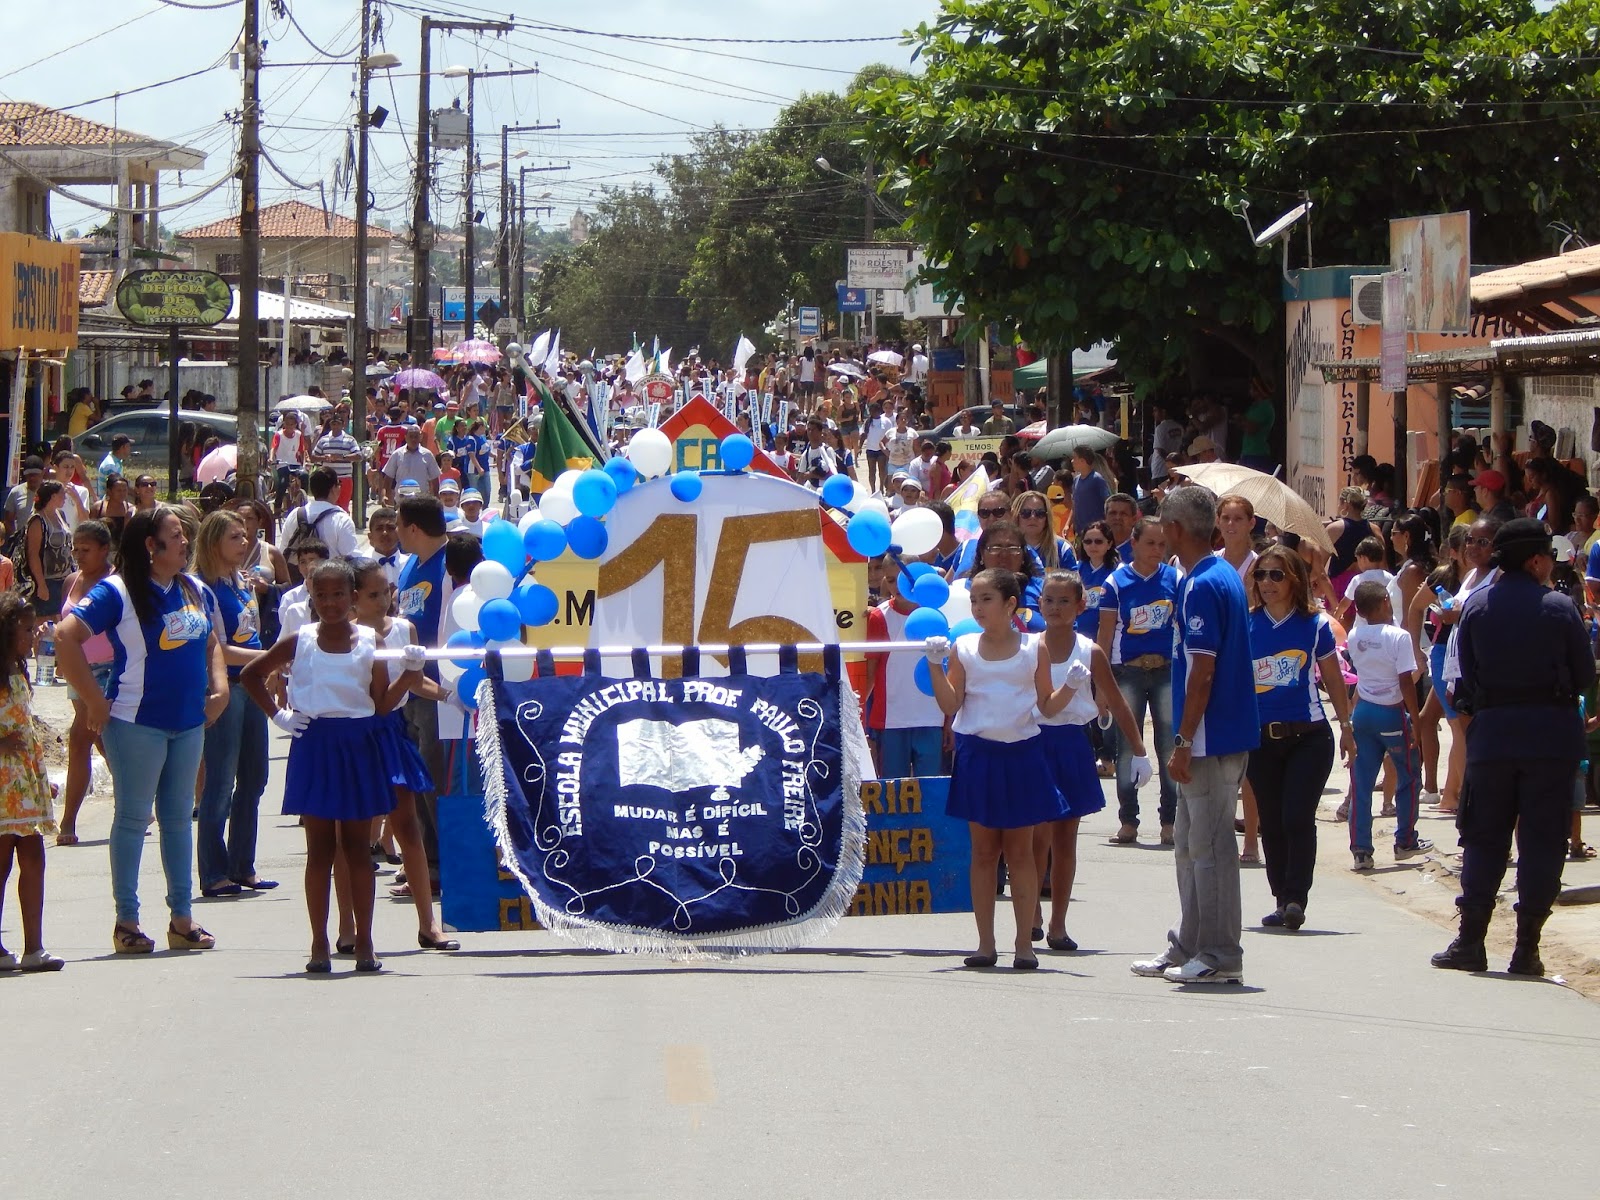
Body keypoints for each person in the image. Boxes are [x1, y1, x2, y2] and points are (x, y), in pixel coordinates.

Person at [53, 506, 229, 955]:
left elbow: (211, 642)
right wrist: (94, 700)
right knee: (132, 820)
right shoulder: (117, 592)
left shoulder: (192, 587)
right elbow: (65, 637)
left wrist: (221, 688)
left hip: (188, 723)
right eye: (177, 535)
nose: (186, 541)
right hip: (135, 723)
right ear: (151, 546)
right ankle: (127, 922)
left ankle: (182, 919)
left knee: (176, 821)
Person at [1433, 519, 1596, 976]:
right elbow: (1585, 676)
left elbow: (1466, 673)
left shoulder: (1477, 608)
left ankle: (1471, 941)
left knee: (1484, 838)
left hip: (1494, 737)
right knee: (1542, 842)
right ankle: (1527, 948)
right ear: (1537, 560)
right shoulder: (1561, 608)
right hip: (1551, 739)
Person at [242, 559, 420, 973]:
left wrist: (410, 672)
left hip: (358, 744)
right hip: (315, 744)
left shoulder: (370, 640)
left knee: (358, 849)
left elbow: (380, 704)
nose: (330, 602)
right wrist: (280, 715)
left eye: (339, 594)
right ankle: (319, 942)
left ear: (353, 596)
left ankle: (365, 943)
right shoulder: (300, 639)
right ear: (311, 598)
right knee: (319, 850)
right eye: (321, 595)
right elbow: (252, 675)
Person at [1131, 486, 1259, 985]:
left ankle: (1221, 954)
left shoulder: (1206, 583)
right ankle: (1188, 944)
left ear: (1176, 530)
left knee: (1210, 849)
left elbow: (1202, 672)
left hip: (1211, 738)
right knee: (1188, 845)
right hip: (1206, 736)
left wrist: (1182, 742)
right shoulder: (1207, 576)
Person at [925, 569, 1070, 969]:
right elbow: (951, 705)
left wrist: (1072, 688)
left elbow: (1046, 704)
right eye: (974, 599)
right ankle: (985, 944)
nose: (978, 607)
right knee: (984, 852)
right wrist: (935, 665)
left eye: (987, 599)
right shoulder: (965, 647)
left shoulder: (1032, 647)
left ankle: (1024, 944)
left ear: (1010, 604)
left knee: (1021, 851)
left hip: (1022, 754)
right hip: (978, 755)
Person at [1033, 570, 1150, 950]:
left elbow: (1116, 699)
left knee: (1065, 838)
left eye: (1064, 600)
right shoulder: (1027, 646)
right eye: (1049, 600)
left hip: (1070, 743)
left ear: (1080, 606)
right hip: (1032, 743)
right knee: (1034, 837)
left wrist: (1139, 750)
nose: (1055, 607)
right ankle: (1029, 914)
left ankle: (1059, 924)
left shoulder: (1090, 650)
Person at [349, 559, 459, 951]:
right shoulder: (345, 636)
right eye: (374, 594)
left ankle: (429, 924)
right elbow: (377, 693)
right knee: (354, 835)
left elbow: (417, 679)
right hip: (356, 733)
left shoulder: (404, 629)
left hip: (392, 732)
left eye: (388, 592)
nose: (384, 601)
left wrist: (451, 696)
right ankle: (349, 929)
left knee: (408, 827)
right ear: (354, 597)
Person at [1246, 545, 1355, 930]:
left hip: (1308, 736)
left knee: (1296, 816)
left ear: (1294, 579)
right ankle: (1280, 899)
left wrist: (1346, 726)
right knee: (1271, 823)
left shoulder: (1316, 625)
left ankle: (1297, 898)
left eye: (1276, 575)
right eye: (1261, 575)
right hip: (1260, 738)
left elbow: (1333, 678)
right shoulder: (1246, 624)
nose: (1268, 583)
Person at [193, 510, 274, 898]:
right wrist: (270, 658)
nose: (245, 543)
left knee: (255, 777)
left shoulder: (242, 581)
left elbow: (252, 635)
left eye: (246, 536)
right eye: (235, 538)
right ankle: (213, 871)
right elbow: (219, 648)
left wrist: (266, 663)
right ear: (213, 544)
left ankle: (243, 864)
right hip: (228, 687)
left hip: (253, 684)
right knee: (221, 781)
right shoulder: (202, 587)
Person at [1098, 516, 1180, 845]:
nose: (1157, 550)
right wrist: (1102, 687)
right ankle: (1128, 820)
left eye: (1162, 544)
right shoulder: (1116, 583)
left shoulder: (1176, 579)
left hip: (1166, 670)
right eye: (1150, 543)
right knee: (1129, 748)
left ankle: (1170, 822)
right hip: (1127, 671)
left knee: (1169, 747)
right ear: (1133, 543)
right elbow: (1104, 635)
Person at [0, 593, 65, 971]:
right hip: (3, 782)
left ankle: (33, 947)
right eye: (26, 629)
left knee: (34, 859)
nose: (34, 635)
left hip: (25, 779)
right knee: (2, 863)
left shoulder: (19, 669)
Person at [394, 496, 456, 894]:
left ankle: (447, 863)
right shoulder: (409, 566)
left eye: (399, 525)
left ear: (414, 528)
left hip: (438, 687)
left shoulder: (449, 565)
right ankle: (426, 862)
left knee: (435, 778)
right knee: (415, 779)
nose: (395, 532)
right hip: (406, 685)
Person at [1345, 581, 1429, 869]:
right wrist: (1416, 723)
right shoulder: (1399, 636)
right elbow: (1406, 681)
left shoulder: (1354, 636)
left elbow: (1360, 677)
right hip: (1391, 713)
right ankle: (1405, 840)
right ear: (1384, 601)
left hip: (1364, 712)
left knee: (1362, 782)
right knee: (1409, 775)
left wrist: (1349, 721)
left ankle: (1361, 851)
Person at [54, 520, 115, 846]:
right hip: (78, 669)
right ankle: (134, 799)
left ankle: (68, 822)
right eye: (75, 549)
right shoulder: (71, 581)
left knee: (80, 738)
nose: (78, 555)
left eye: (85, 550)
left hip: (109, 669)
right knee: (102, 742)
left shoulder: (116, 581)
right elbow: (63, 623)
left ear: (104, 550)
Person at [865, 569, 947, 779]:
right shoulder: (879, 616)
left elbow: (949, 670)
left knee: (930, 791)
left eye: (907, 580)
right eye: (892, 579)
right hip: (892, 720)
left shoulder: (939, 614)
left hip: (932, 718)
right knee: (893, 793)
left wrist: (949, 720)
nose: (899, 586)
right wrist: (864, 718)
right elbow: (870, 674)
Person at [276, 467, 358, 568]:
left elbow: (283, 550)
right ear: (333, 489)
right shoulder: (342, 519)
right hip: (330, 580)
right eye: (338, 484)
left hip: (298, 580)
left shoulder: (295, 514)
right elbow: (352, 559)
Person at [23, 481, 75, 619]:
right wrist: (41, 584)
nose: (65, 497)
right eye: (62, 494)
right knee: (45, 621)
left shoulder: (61, 515)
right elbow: (33, 554)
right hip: (48, 580)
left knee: (63, 618)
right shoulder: (38, 520)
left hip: (65, 578)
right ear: (52, 496)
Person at [1338, 537, 1403, 625]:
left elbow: (1345, 603)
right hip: (1386, 625)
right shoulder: (1389, 577)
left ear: (1363, 558)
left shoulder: (1358, 579)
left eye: (1358, 559)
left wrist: (1336, 616)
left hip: (1362, 627)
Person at [311, 411, 362, 511]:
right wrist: (324, 458)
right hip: (327, 479)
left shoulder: (350, 440)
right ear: (330, 425)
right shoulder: (323, 440)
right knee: (326, 507)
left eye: (338, 424)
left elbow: (358, 456)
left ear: (343, 425)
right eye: (333, 424)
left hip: (344, 479)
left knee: (343, 507)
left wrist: (342, 457)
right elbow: (313, 456)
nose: (335, 426)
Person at [1013, 490, 1074, 569]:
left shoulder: (1062, 548)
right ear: (1016, 516)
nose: (1033, 517)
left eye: (1039, 513)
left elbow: (1074, 579)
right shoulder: (1006, 549)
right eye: (1025, 513)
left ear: (1047, 518)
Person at [1069, 444, 1110, 531]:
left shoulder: (1097, 479)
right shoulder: (1076, 480)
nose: (1072, 461)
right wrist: (1068, 524)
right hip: (1080, 531)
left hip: (1096, 530)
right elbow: (1074, 506)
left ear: (1083, 461)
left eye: (1074, 458)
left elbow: (1108, 503)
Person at [861, 402, 892, 493]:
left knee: (882, 470)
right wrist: (860, 447)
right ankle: (873, 490)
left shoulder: (886, 421)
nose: (874, 413)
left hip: (881, 450)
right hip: (870, 449)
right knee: (872, 471)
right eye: (871, 411)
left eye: (875, 411)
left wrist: (888, 449)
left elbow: (889, 435)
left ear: (879, 411)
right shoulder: (867, 422)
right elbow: (864, 435)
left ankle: (881, 487)